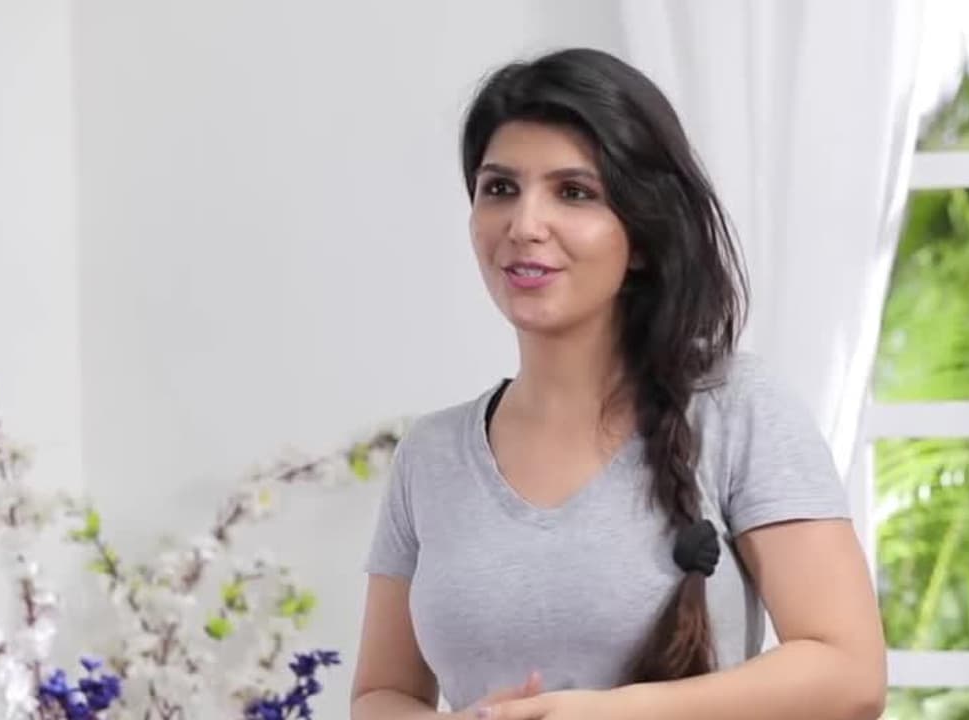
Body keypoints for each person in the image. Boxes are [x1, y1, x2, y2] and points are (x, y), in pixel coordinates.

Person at [350, 48, 886, 720]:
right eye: (500, 188)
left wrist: (613, 713)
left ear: (643, 233)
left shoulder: (736, 408)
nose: (524, 225)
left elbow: (849, 674)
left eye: (574, 193)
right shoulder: (429, 457)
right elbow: (379, 694)